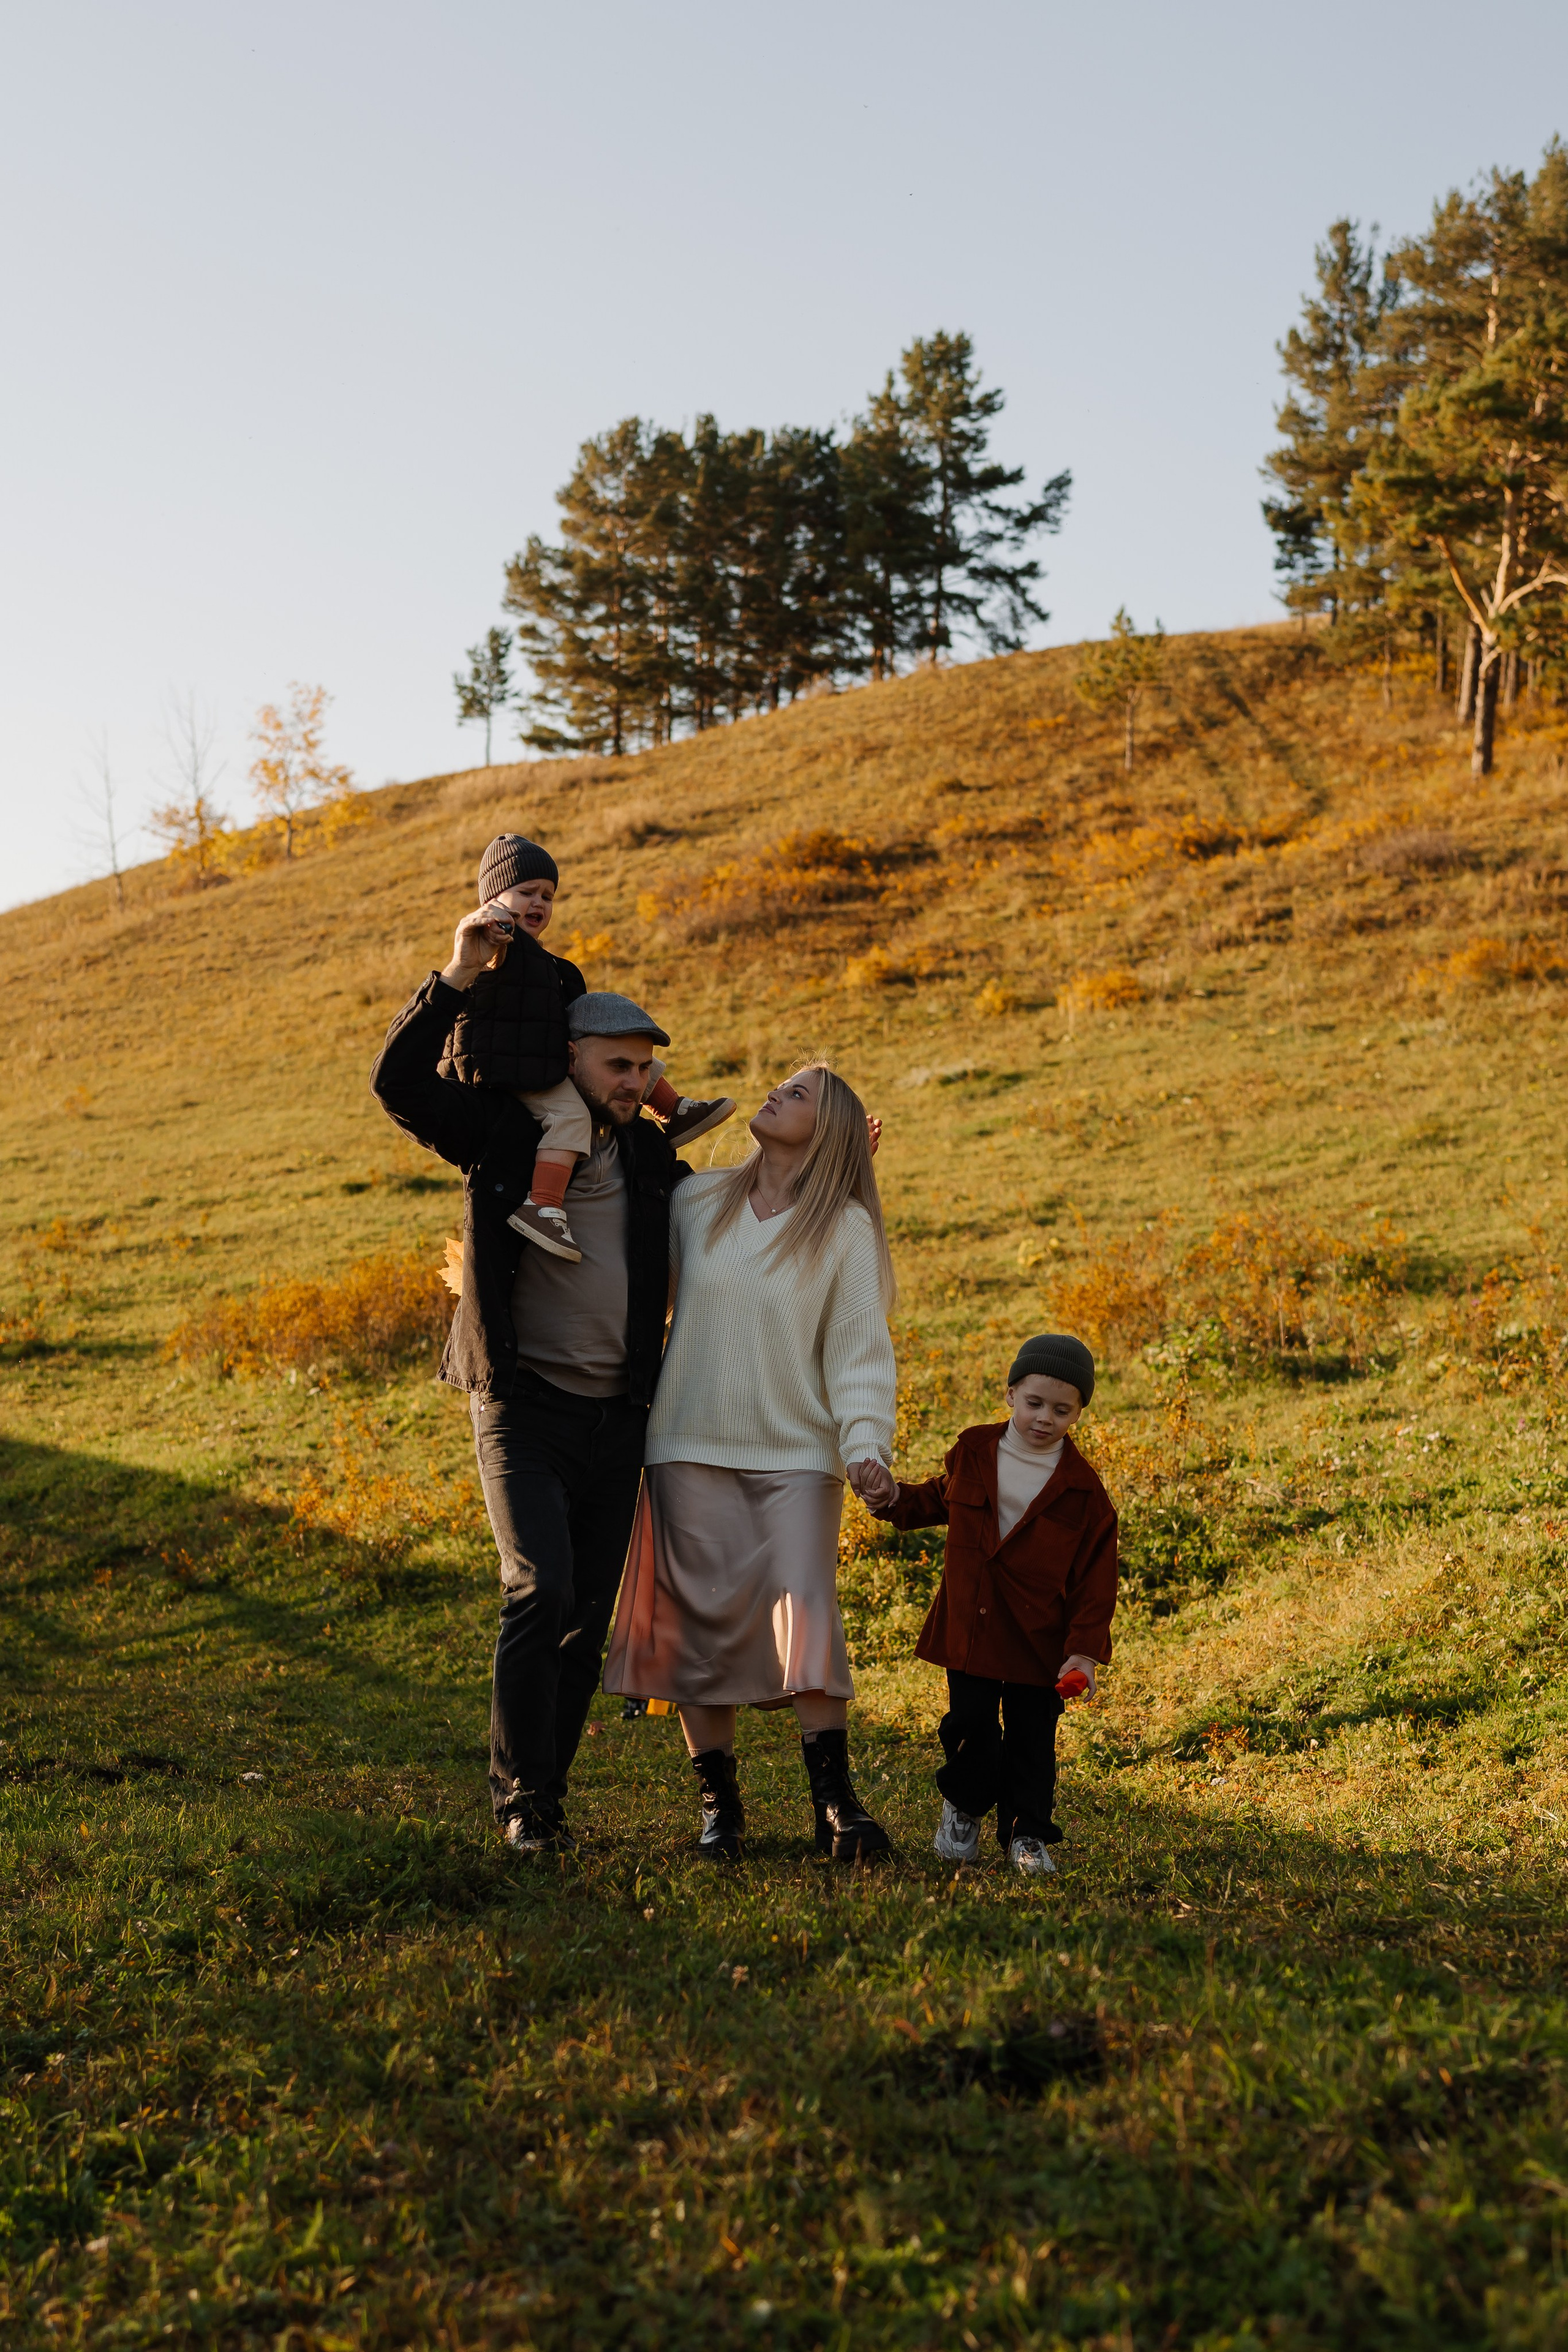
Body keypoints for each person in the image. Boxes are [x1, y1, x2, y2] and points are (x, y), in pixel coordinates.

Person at [371, 894, 687, 1855]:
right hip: (522, 1405)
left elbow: (738, 1216)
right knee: (539, 1590)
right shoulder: (506, 1134)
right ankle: (518, 1800)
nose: (632, 1082)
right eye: (616, 1065)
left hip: (618, 1417)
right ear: (570, 1060)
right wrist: (458, 975)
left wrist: (834, 1166)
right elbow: (398, 1084)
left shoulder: (649, 1153)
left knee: (585, 1618)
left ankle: (544, 1796)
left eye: (643, 1067)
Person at [603, 1063, 898, 1864]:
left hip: (798, 1454)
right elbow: (639, 1302)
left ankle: (835, 1806)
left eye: (798, 1093)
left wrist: (867, 1447)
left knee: (805, 1612)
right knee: (696, 1630)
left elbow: (859, 1353)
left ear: (830, 1128)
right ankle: (720, 1809)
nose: (775, 1093)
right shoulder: (697, 1202)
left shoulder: (845, 1229)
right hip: (686, 1443)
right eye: (782, 1086)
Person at [867, 1333, 1117, 1877]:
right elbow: (937, 1497)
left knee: (1033, 1741)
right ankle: (963, 1809)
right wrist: (890, 1498)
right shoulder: (975, 1451)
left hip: (1039, 1640)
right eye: (1034, 1403)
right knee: (970, 1726)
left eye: (1061, 1409)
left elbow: (1097, 1581)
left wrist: (1084, 1653)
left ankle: (1027, 1834)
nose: (1044, 1418)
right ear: (1010, 1395)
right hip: (972, 1626)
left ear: (1078, 1414)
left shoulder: (1083, 1493)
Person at [440, 833, 734, 1262]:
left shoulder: (541, 960)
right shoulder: (494, 945)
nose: (539, 903)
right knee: (569, 1115)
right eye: (526, 892)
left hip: (542, 1055)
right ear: (494, 899)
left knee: (621, 1057)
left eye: (548, 895)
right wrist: (492, 924)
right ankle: (543, 1205)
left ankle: (674, 1111)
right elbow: (486, 962)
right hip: (511, 1069)